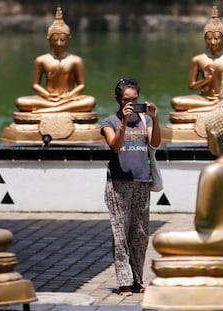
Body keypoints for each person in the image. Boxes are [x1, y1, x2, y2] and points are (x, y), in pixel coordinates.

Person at [153, 100, 223, 257]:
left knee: (161, 239)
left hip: (221, 240)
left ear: (213, 136)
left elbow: (202, 222)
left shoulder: (212, 171)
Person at [101, 78, 161, 297]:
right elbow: (115, 147)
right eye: (126, 100)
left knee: (140, 234)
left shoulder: (146, 120)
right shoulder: (110, 122)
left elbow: (155, 143)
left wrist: (155, 118)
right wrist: (124, 122)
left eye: (135, 100)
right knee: (120, 234)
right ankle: (124, 282)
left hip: (142, 182)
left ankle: (138, 279)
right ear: (118, 100)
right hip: (118, 184)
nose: (131, 104)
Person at [170, 6, 223, 116]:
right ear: (204, 38)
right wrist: (205, 80)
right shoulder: (198, 59)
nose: (212, 42)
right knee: (176, 102)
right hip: (204, 98)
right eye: (209, 38)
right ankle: (214, 107)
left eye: (217, 38)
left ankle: (211, 107)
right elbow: (191, 85)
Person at [16, 6, 95, 113]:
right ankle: (59, 107)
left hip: (68, 98)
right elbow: (35, 84)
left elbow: (81, 85)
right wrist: (48, 95)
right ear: (48, 40)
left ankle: (53, 109)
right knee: (21, 102)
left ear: (68, 40)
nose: (59, 43)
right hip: (48, 98)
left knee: (90, 101)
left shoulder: (76, 60)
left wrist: (69, 96)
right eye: (55, 40)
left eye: (62, 40)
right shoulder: (41, 60)